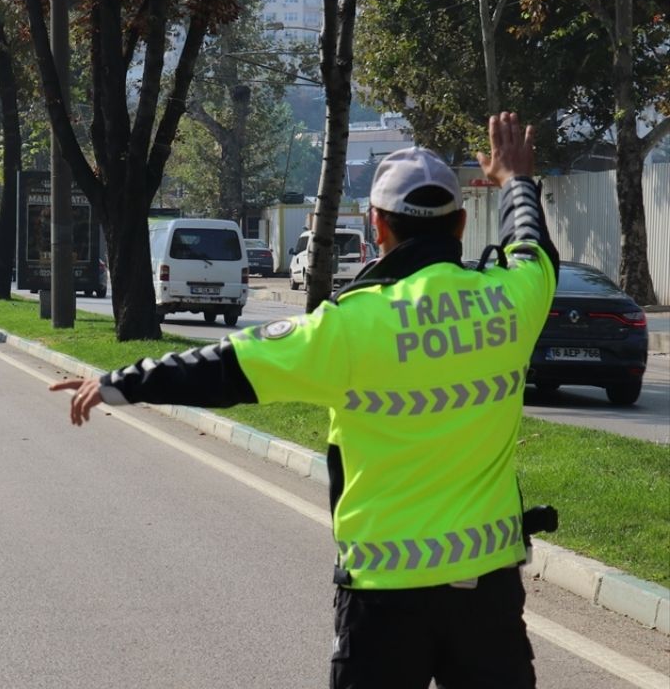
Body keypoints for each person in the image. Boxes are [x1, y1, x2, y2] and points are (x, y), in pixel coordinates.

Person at [51, 112, 558, 689]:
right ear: (462, 223)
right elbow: (532, 245)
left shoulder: (347, 327)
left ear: (377, 226)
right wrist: (517, 178)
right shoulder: (511, 304)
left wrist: (121, 381)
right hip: (488, 593)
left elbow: (223, 369)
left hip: (384, 602)